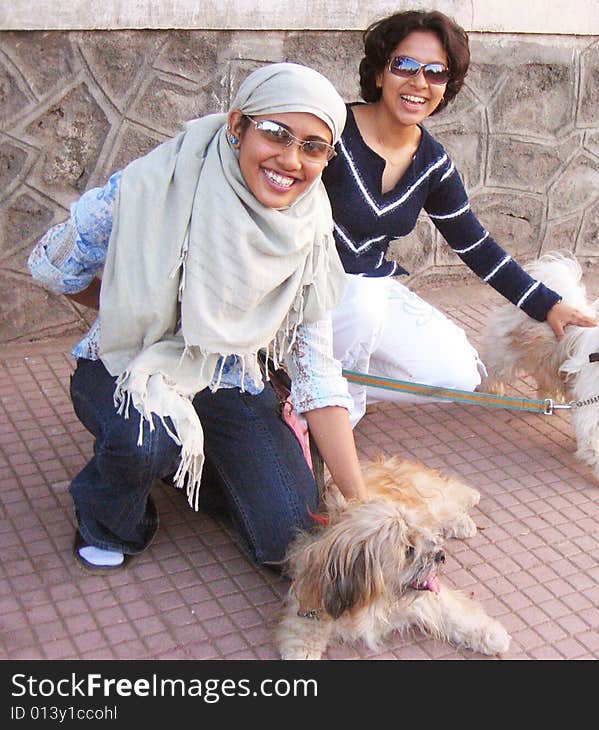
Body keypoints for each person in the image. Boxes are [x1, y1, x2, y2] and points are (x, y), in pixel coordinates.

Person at [28, 63, 367, 573]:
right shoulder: (153, 183)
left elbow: (317, 374)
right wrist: (133, 307)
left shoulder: (310, 228)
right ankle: (112, 515)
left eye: (313, 146)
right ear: (238, 126)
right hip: (128, 364)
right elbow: (51, 264)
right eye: (275, 133)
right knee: (144, 443)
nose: (290, 159)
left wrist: (362, 507)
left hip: (228, 380)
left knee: (289, 546)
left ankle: (192, 464)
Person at [323, 9, 597, 424]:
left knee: (458, 374)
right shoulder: (330, 130)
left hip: (367, 290)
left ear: (446, 88)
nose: (419, 82)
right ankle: (321, 402)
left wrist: (547, 304)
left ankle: (322, 382)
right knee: (361, 305)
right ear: (379, 73)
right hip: (306, 285)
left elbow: (476, 245)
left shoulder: (432, 164)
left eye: (435, 73)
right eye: (405, 65)